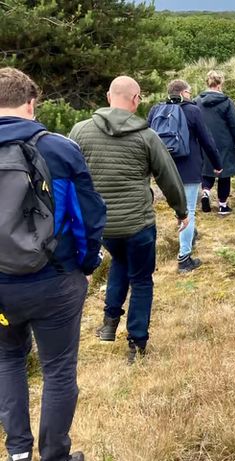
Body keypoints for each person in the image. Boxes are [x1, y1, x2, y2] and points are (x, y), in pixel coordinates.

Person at [0, 68, 106, 461]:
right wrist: (87, 262)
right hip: (55, 280)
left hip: (1, 289)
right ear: (30, 103)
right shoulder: (59, 148)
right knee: (58, 370)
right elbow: (90, 216)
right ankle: (55, 455)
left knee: (7, 359)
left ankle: (18, 453)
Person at [69, 76, 188, 364]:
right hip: (138, 224)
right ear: (136, 100)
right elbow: (168, 177)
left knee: (119, 263)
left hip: (103, 226)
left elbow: (68, 177)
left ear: (109, 96)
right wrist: (181, 211)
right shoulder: (147, 136)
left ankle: (109, 321)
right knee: (142, 280)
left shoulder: (79, 132)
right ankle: (137, 342)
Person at [148, 80, 222, 272]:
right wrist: (217, 164)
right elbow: (206, 139)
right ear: (183, 93)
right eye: (189, 92)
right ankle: (184, 258)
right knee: (188, 210)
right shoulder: (192, 110)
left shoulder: (156, 110)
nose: (191, 95)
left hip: (164, 169)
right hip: (189, 169)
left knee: (178, 206)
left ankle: (189, 233)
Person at [195, 70, 235, 216]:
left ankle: (205, 192)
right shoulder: (226, 102)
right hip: (225, 142)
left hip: (203, 142)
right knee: (224, 173)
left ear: (207, 83)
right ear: (220, 84)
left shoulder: (197, 101)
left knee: (207, 169)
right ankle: (223, 206)